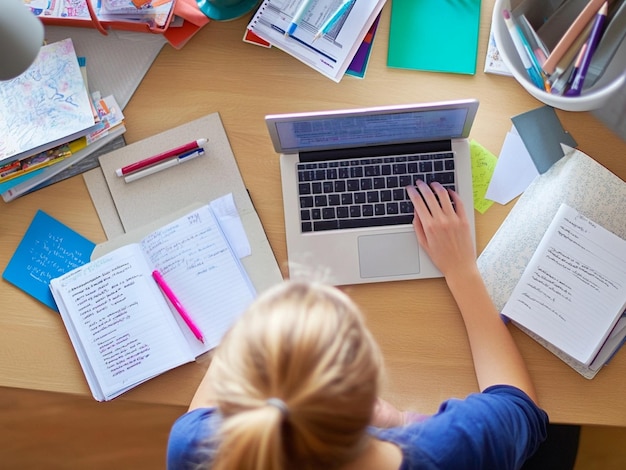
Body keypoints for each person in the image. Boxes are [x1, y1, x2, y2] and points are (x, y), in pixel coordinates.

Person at [167, 180, 549, 470]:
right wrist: (462, 270)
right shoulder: (450, 450)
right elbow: (521, 409)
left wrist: (277, 322)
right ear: (369, 386)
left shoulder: (197, 450)